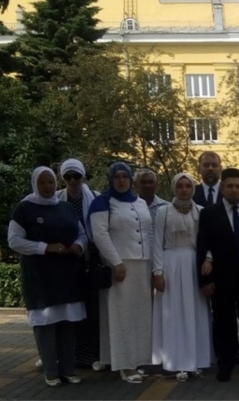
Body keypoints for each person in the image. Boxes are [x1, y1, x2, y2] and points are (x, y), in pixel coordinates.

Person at [8, 166, 88, 387]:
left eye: (51, 182)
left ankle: (68, 370)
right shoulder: (24, 209)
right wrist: (45, 247)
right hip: (40, 277)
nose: (47, 187)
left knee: (67, 324)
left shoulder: (65, 207)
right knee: (46, 325)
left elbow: (81, 233)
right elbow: (14, 241)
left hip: (67, 275)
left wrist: (78, 247)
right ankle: (51, 372)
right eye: (42, 183)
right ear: (35, 184)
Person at [196, 168, 239, 382]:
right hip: (221, 278)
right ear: (222, 187)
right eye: (230, 186)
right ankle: (225, 363)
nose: (234, 190)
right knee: (223, 322)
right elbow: (203, 246)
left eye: (238, 186)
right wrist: (205, 280)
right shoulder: (209, 213)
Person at [89, 162, 153, 384]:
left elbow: (149, 232)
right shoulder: (103, 202)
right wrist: (116, 262)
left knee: (138, 316)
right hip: (120, 266)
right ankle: (125, 365)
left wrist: (154, 265)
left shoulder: (141, 202)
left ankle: (131, 359)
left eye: (125, 176)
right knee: (120, 317)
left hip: (142, 264)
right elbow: (100, 235)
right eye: (117, 177)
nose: (121, 181)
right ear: (110, 179)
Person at [151, 173, 212, 382]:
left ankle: (196, 360)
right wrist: (157, 272)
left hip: (194, 265)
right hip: (170, 263)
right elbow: (157, 243)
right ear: (173, 188)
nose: (184, 189)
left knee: (195, 312)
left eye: (188, 186)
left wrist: (209, 259)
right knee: (174, 313)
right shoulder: (163, 212)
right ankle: (176, 362)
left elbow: (208, 240)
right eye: (180, 186)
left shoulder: (201, 211)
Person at [54, 159, 102, 372]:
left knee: (91, 310)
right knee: (69, 310)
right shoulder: (56, 200)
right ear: (63, 179)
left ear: (83, 177)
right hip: (64, 263)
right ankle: (68, 355)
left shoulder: (95, 199)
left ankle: (93, 354)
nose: (73, 181)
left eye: (77, 176)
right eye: (68, 177)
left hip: (90, 261)